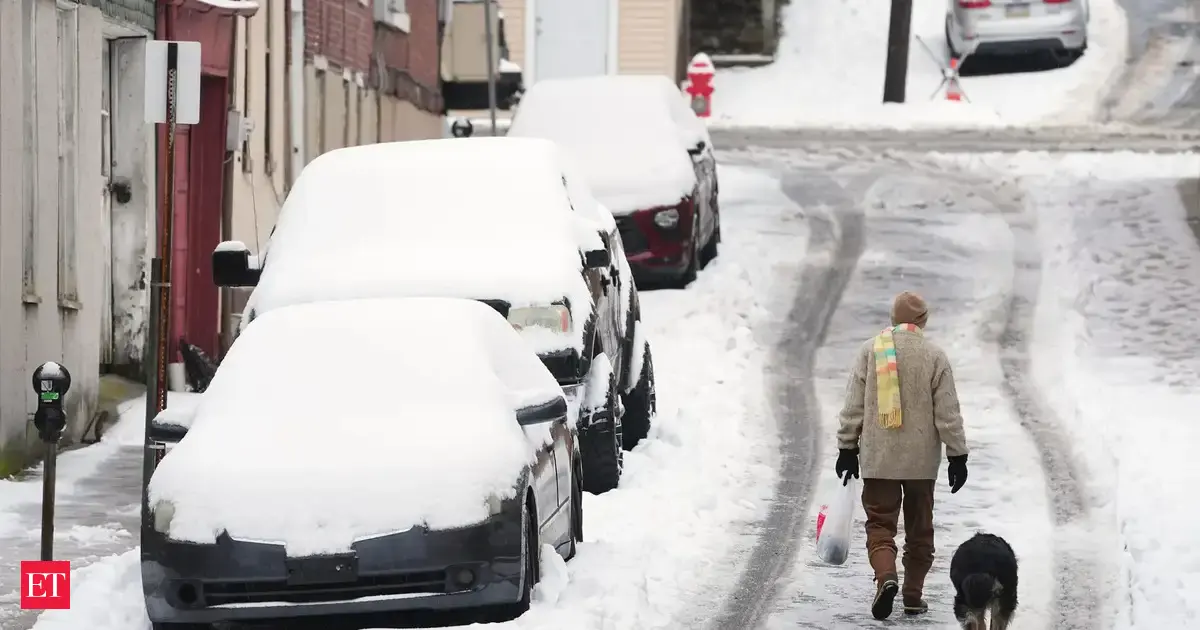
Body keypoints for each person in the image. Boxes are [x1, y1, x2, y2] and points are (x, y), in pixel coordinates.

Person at [834, 290, 969, 620]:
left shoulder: (871, 351)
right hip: (921, 463)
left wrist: (846, 448)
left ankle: (885, 577)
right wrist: (957, 455)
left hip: (880, 460)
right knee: (920, 530)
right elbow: (948, 412)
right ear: (923, 321)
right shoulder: (934, 355)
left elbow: (853, 406)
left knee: (880, 524)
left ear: (893, 319)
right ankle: (912, 595)